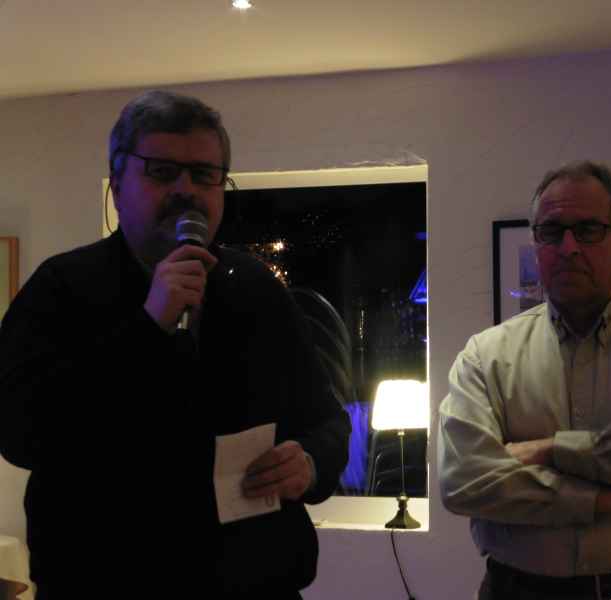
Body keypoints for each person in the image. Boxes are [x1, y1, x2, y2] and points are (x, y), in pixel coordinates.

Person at [0, 90, 350, 599]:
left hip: (257, 586)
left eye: (204, 175)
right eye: (162, 172)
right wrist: (149, 325)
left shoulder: (256, 288)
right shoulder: (61, 288)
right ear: (118, 186)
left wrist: (311, 461)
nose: (186, 189)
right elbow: (20, 433)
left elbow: (327, 419)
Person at [438, 161, 611, 599]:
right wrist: (603, 499)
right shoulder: (485, 356)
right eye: (552, 231)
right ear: (536, 243)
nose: (568, 247)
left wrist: (553, 450)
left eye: (589, 230)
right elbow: (463, 479)